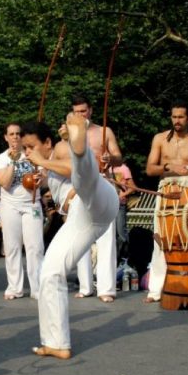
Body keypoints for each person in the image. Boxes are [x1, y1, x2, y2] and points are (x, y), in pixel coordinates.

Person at [22, 115, 119, 359]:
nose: (27, 152)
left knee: (84, 178)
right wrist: (38, 179)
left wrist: (42, 161)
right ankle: (56, 343)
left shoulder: (59, 149)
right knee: (50, 273)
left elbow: (68, 169)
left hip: (93, 201)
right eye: (25, 148)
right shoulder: (49, 159)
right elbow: (55, 178)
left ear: (47, 142)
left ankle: (81, 149)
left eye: (31, 147)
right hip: (89, 215)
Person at [142, 100, 188, 304]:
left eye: (181, 117)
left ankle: (187, 286)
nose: (177, 121)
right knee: (161, 240)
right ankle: (155, 290)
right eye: (174, 117)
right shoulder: (160, 139)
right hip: (166, 192)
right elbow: (150, 169)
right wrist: (169, 166)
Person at [69, 96, 123, 304]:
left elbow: (118, 156)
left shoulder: (104, 132)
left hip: (103, 182)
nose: (81, 115)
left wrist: (111, 158)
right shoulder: (70, 133)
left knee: (106, 236)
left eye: (84, 111)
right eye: (77, 112)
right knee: (81, 233)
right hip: (81, 186)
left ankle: (106, 288)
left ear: (90, 111)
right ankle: (85, 285)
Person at [0, 122, 44, 300]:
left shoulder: (32, 155)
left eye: (18, 134)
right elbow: (4, 183)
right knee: (12, 247)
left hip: (31, 204)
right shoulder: (1, 158)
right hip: (10, 205)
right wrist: (13, 162)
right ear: (6, 137)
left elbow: (43, 181)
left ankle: (37, 287)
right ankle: (15, 287)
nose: (15, 137)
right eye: (11, 134)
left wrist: (39, 180)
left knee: (35, 247)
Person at [111, 161, 136, 261]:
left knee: (121, 234)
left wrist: (121, 195)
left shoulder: (123, 168)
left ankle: (123, 258)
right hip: (106, 204)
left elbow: (133, 187)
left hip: (119, 204)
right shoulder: (105, 168)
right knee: (110, 235)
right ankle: (112, 260)